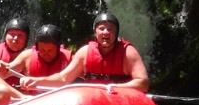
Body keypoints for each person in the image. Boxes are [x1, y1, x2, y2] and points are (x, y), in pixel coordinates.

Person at [19, 12, 149, 92]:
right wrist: (36, 81)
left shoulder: (128, 52)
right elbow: (63, 78)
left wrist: (114, 89)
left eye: (110, 29)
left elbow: (142, 83)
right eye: (101, 28)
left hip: (121, 99)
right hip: (95, 101)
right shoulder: (85, 53)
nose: (105, 32)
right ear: (95, 32)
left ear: (116, 33)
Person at [0, 24, 72, 83]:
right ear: (37, 47)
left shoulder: (69, 59)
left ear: (58, 49)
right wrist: (0, 68)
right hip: (33, 100)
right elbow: (3, 74)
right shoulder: (27, 56)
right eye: (42, 50)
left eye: (50, 50)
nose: (46, 53)